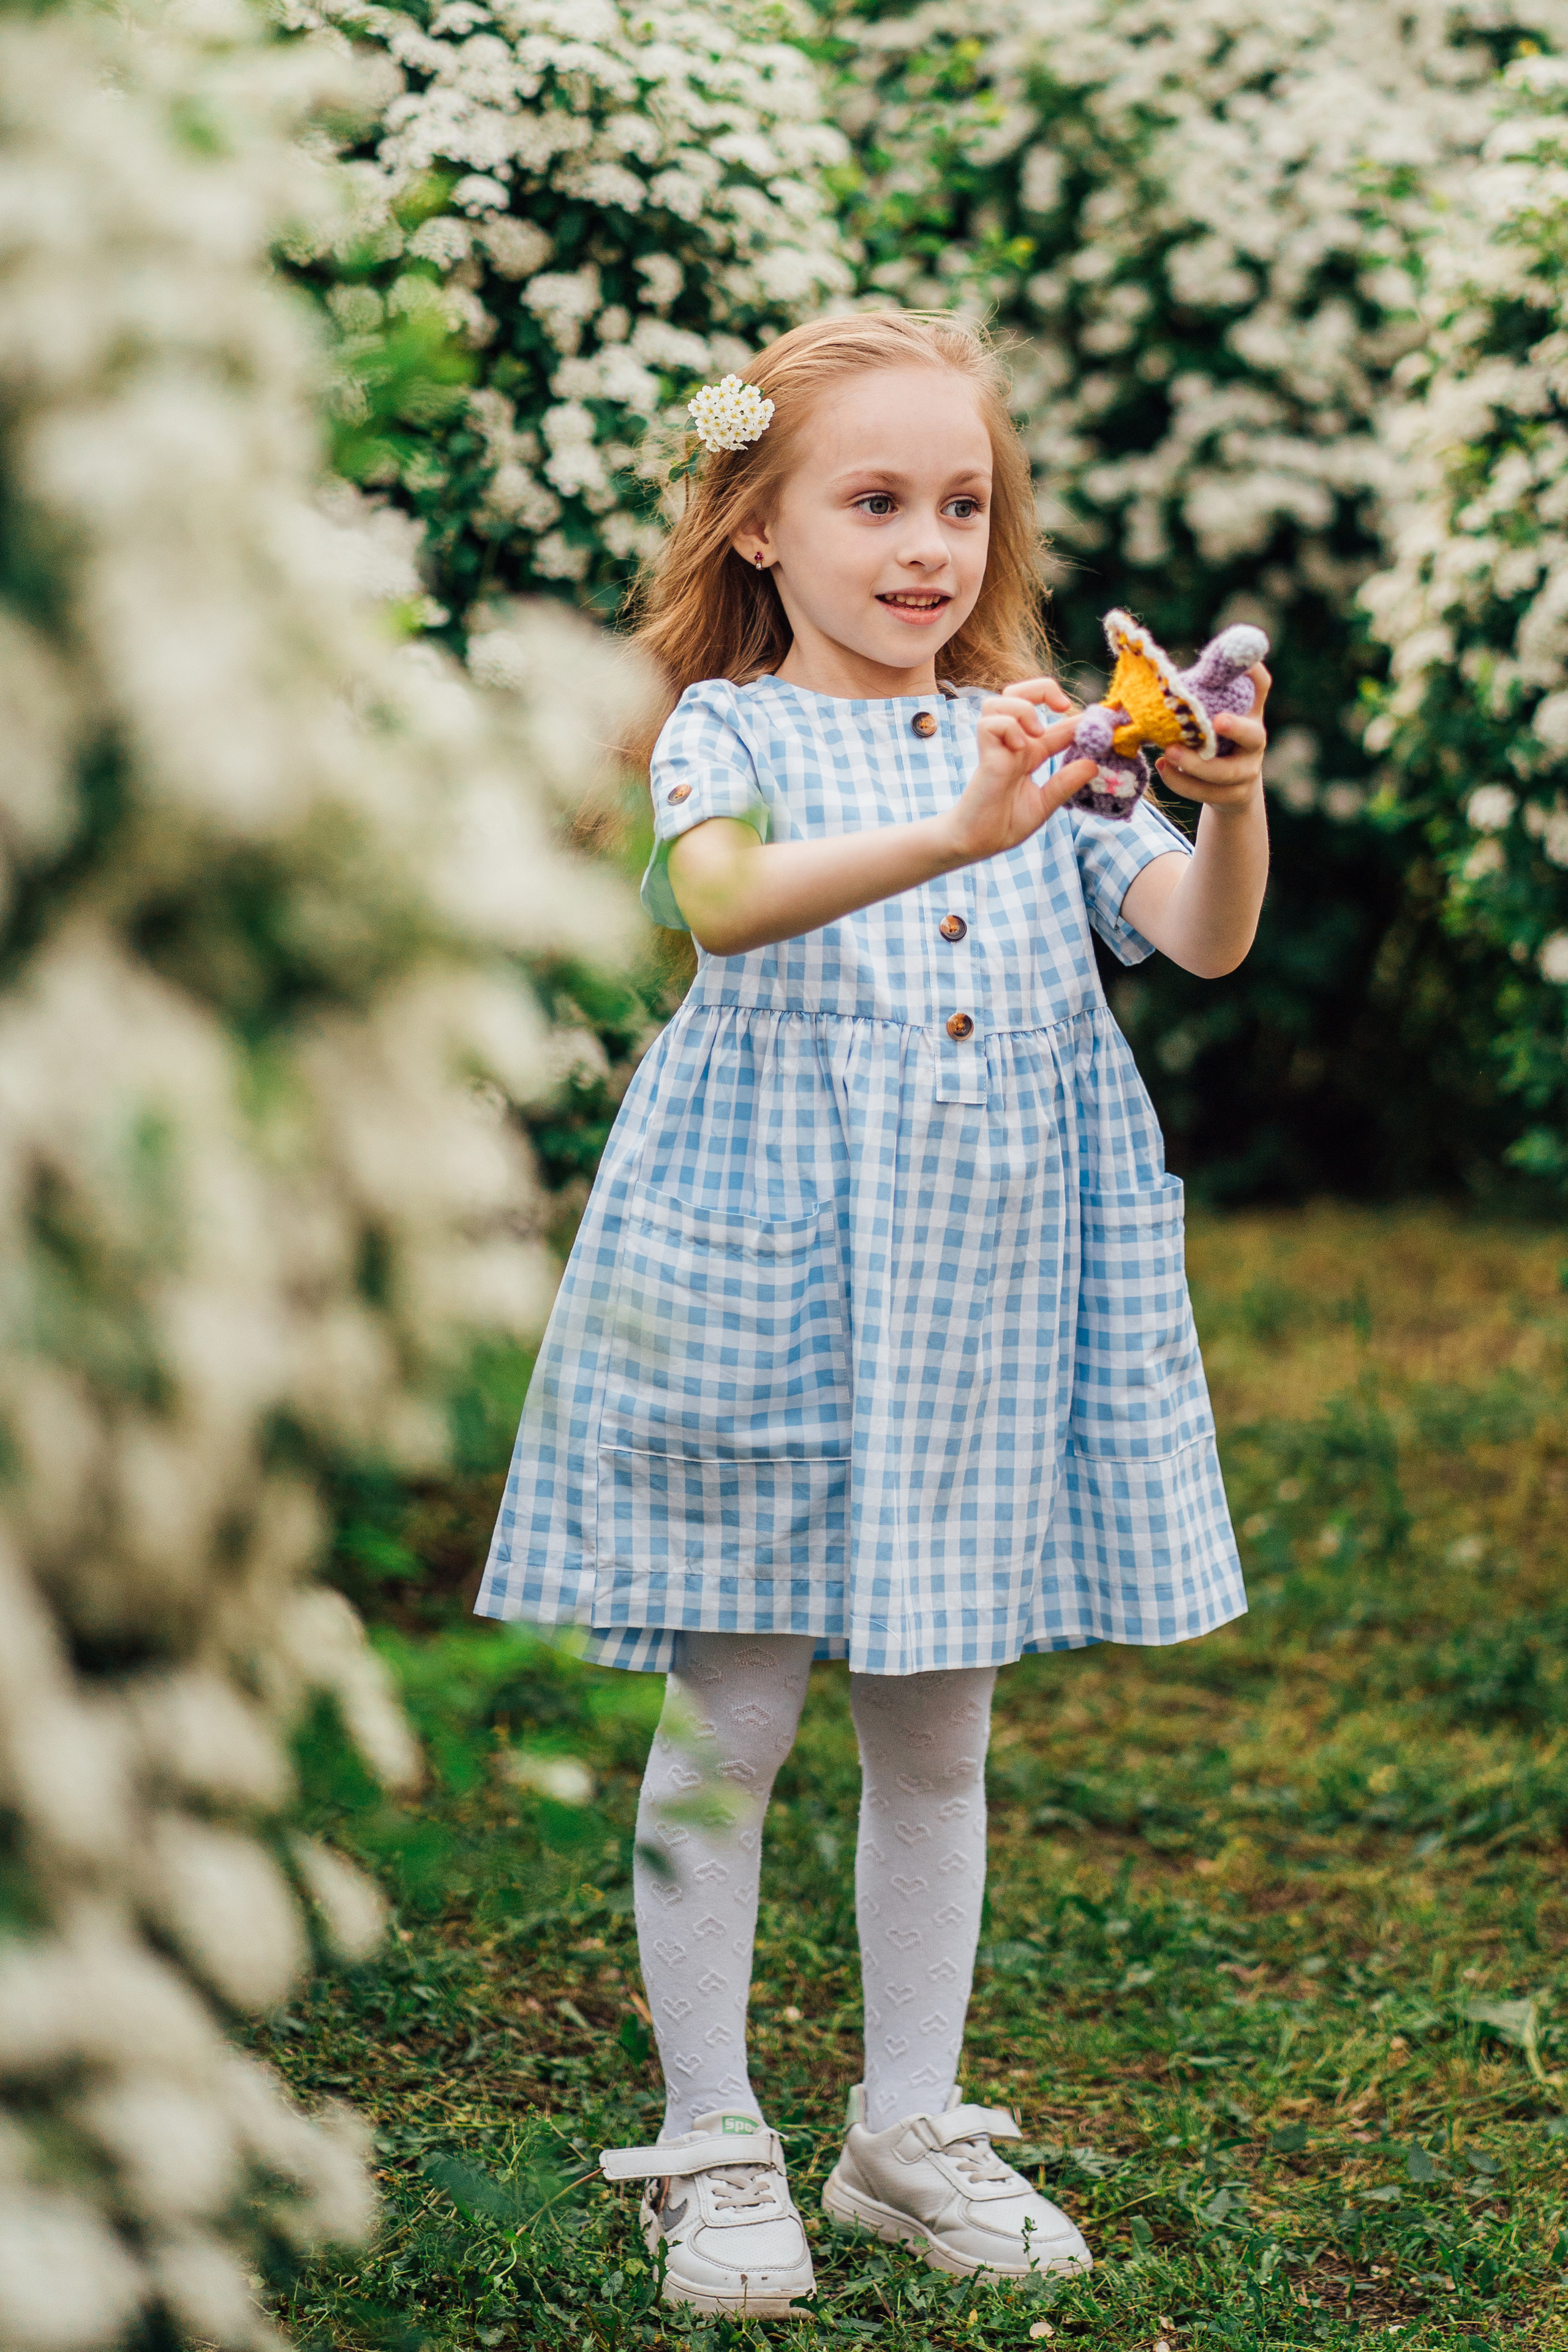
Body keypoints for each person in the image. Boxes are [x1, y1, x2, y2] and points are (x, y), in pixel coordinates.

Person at [475, 310, 1269, 2317]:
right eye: (876, 500)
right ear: (756, 527)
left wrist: (1229, 798)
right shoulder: (726, 732)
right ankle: (713, 2134)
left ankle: (904, 2127)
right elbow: (719, 903)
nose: (929, 545)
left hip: (984, 1297)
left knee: (940, 1730)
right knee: (731, 1719)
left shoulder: (1044, 729)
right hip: (769, 1275)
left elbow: (1193, 934)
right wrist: (956, 831)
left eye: (964, 504)